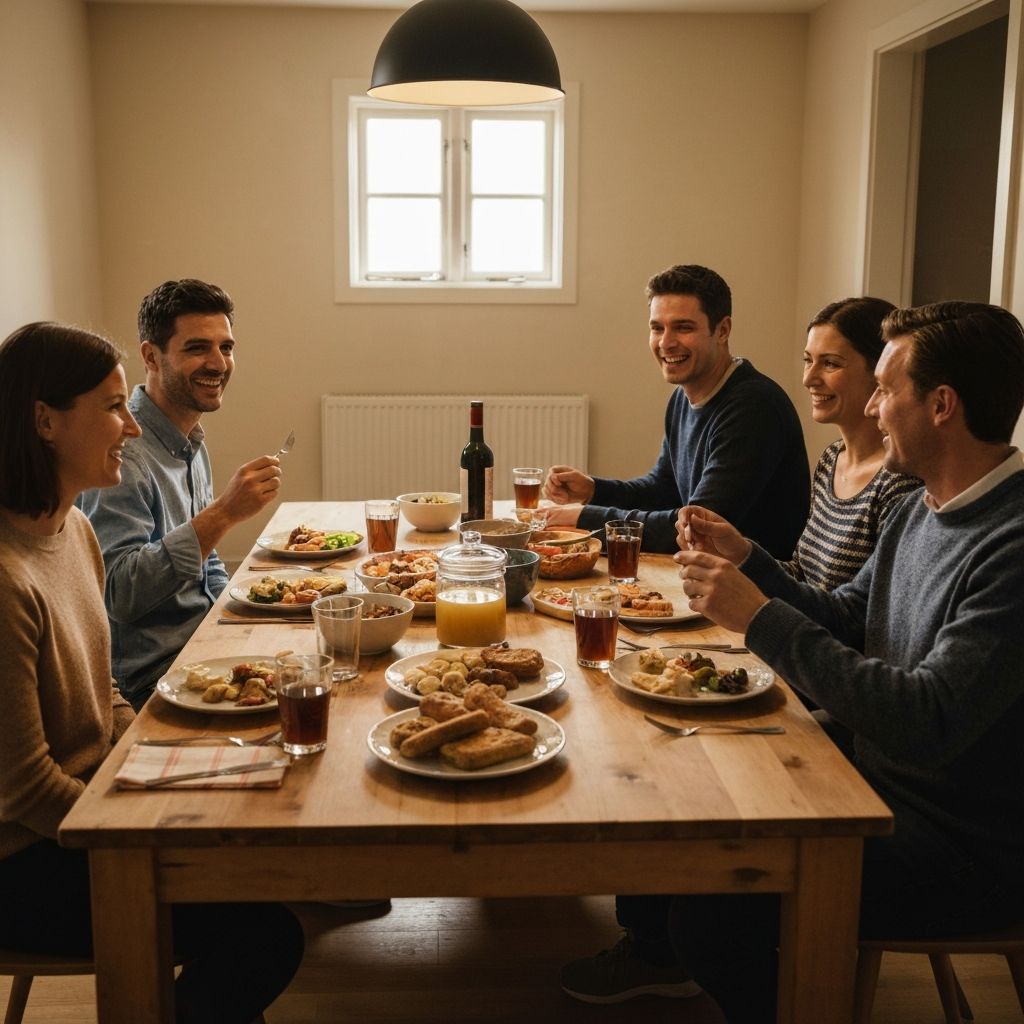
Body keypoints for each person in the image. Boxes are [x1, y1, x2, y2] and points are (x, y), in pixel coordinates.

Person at [670, 301, 1024, 1023]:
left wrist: (757, 616)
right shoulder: (924, 507)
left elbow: (926, 719)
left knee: (702, 896)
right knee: (692, 786)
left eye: (887, 389)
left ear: (943, 405)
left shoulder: (1011, 547)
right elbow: (843, 618)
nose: (872, 406)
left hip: (959, 848)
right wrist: (752, 563)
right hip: (871, 779)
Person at [0, 321, 304, 1024]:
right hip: (26, 859)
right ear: (44, 421)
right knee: (265, 932)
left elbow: (104, 690)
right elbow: (23, 789)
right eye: (111, 409)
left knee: (256, 835)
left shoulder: (71, 528)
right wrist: (137, 825)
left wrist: (156, 762)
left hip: (91, 803)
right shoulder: (9, 578)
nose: (130, 429)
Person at [78, 279, 282, 710]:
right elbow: (119, 593)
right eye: (197, 348)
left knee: (325, 666)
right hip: (153, 678)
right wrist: (224, 513)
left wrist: (241, 616)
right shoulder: (122, 455)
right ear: (151, 355)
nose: (218, 363)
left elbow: (206, 567)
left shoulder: (190, 441)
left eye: (226, 347)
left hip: (206, 646)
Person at [542, 264, 810, 556]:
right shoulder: (682, 397)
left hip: (752, 589)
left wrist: (585, 519)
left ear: (722, 330)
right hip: (701, 574)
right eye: (657, 328)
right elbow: (662, 489)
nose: (666, 343)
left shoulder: (754, 408)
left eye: (683, 327)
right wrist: (594, 490)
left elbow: (696, 528)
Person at [782, 296, 921, 590]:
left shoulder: (900, 482)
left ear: (881, 371)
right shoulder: (832, 458)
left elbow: (863, 614)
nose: (809, 378)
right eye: (808, 360)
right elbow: (801, 575)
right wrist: (735, 558)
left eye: (830, 363)